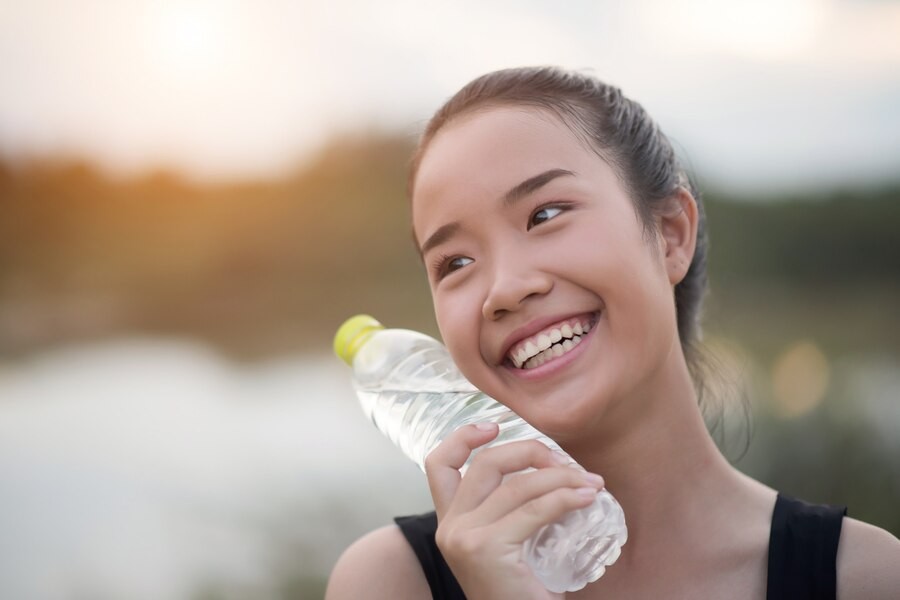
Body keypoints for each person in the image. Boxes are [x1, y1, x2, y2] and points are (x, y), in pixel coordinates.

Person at [325, 66, 900, 599]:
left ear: (671, 235)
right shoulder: (391, 582)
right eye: (454, 263)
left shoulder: (864, 578)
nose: (505, 289)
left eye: (545, 215)